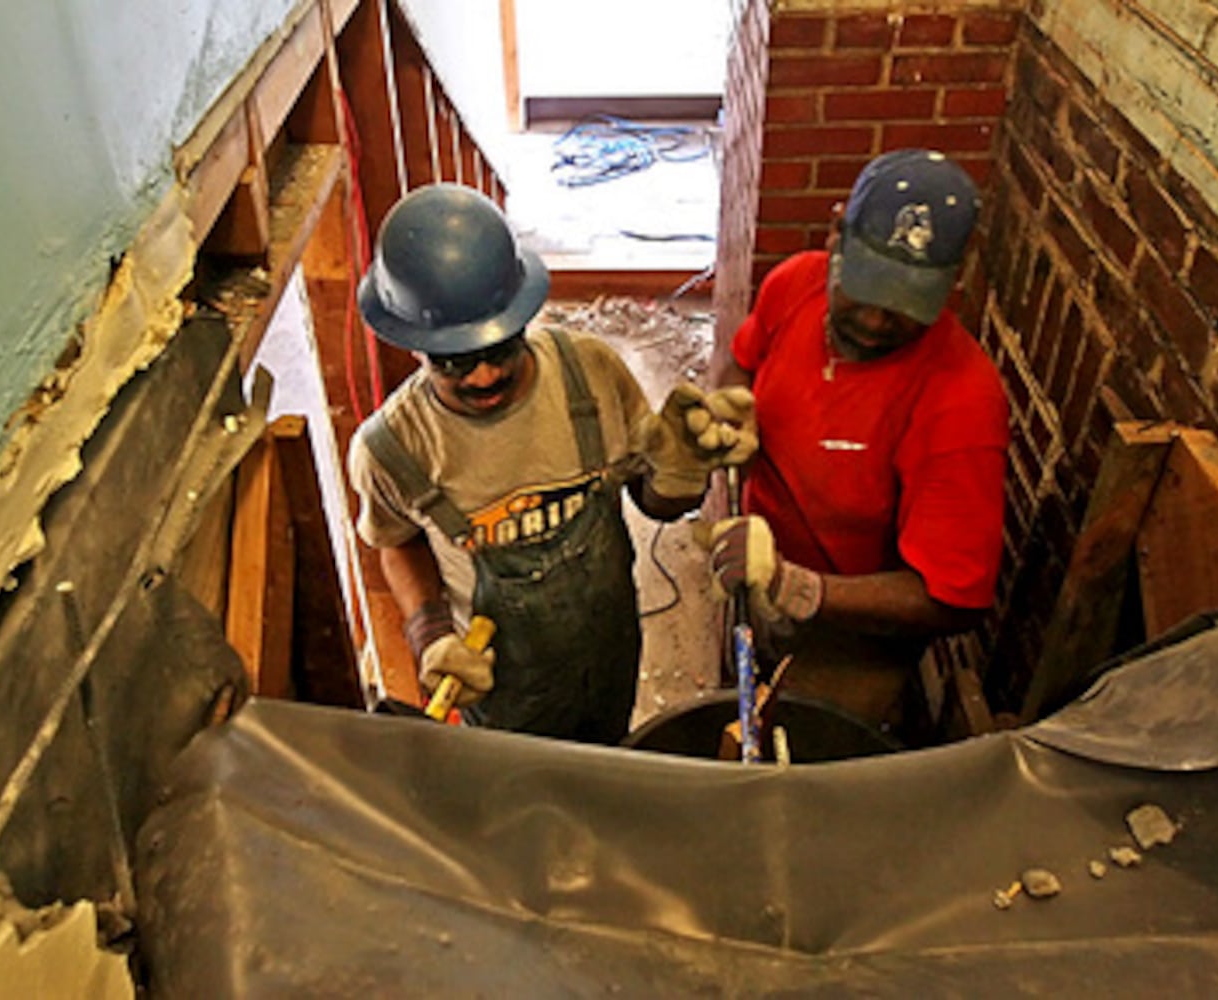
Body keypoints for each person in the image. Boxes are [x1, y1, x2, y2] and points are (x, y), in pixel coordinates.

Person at [348, 183, 754, 744]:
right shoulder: (392, 449)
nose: (484, 377)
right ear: (413, 343)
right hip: (502, 682)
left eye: (500, 348)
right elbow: (396, 541)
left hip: (609, 649)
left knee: (607, 755)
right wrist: (432, 635)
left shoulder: (589, 374)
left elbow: (655, 505)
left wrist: (682, 474)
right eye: (455, 362)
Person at [708, 149, 1009, 739]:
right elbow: (742, 361)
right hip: (757, 582)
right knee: (735, 727)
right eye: (865, 289)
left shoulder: (961, 400)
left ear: (955, 278)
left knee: (804, 771)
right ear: (836, 233)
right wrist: (731, 409)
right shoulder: (795, 283)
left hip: (855, 638)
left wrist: (801, 588)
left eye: (905, 304)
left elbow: (953, 598)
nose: (874, 322)